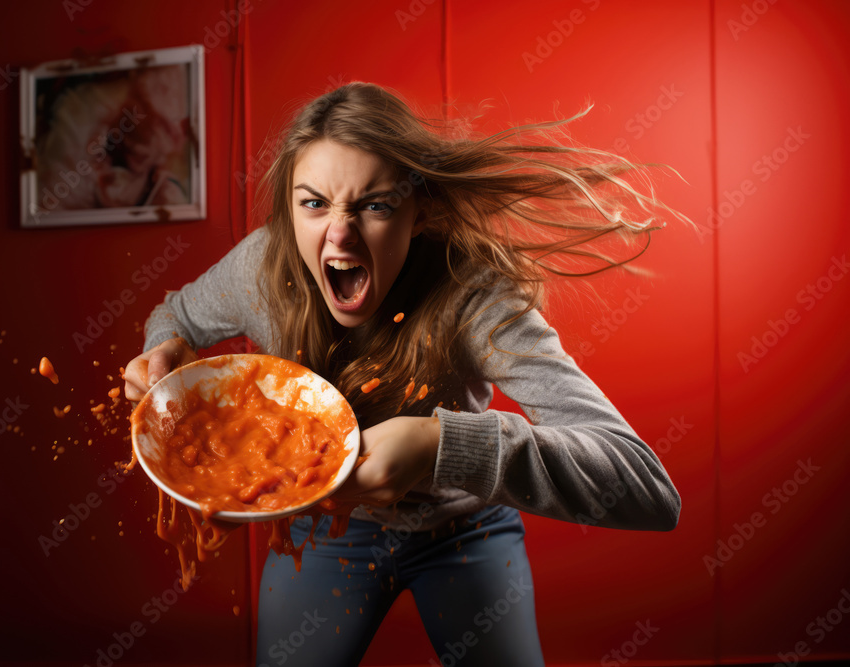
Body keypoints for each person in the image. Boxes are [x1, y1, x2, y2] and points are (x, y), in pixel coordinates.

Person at [124, 82, 685, 667]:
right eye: (313, 203)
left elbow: (647, 488)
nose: (338, 236)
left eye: (375, 205)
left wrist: (440, 444)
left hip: (466, 532)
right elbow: (177, 314)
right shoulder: (264, 267)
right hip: (331, 536)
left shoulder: (474, 296)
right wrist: (161, 351)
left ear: (423, 213)